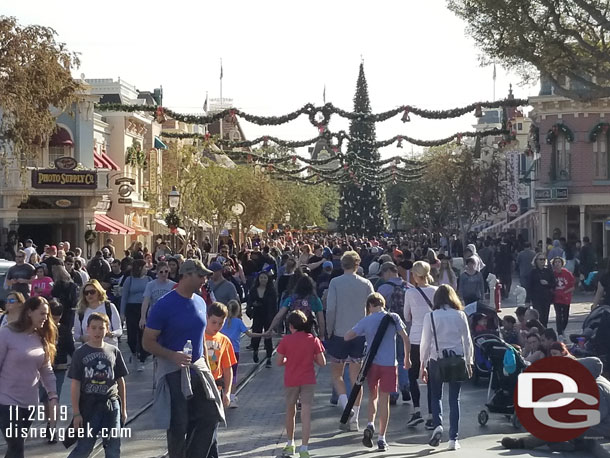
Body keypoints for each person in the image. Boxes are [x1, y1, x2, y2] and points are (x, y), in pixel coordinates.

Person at [143, 259, 223, 458]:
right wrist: (172, 355)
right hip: (173, 371)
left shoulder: (200, 301)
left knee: (210, 416)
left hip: (198, 368)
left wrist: (207, 365)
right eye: (200, 275)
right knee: (179, 424)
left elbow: (201, 335)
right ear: (186, 275)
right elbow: (147, 342)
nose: (205, 279)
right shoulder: (164, 306)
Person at [344, 293, 411, 452]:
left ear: (369, 306)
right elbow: (405, 338)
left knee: (372, 396)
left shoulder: (366, 320)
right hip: (389, 364)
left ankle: (370, 424)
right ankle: (382, 438)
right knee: (384, 400)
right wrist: (407, 359)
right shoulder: (393, 317)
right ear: (383, 303)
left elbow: (347, 336)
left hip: (371, 364)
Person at [502, 357, 610, 450]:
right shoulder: (595, 380)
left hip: (604, 430)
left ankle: (522, 443)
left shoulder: (597, 388)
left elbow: (594, 417)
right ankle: (567, 443)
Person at [0, 296, 58, 457]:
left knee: (15, 449)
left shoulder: (41, 338)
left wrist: (53, 395)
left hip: (29, 404)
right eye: (42, 314)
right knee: (16, 445)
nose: (45, 318)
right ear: (29, 312)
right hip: (6, 401)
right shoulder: (6, 333)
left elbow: (46, 370)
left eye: (47, 314)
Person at [324, 251, 374, 431]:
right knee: (356, 378)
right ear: (357, 264)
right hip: (359, 334)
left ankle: (345, 404)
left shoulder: (335, 283)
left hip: (339, 333)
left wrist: (328, 329)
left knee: (337, 374)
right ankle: (355, 419)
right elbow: (372, 308)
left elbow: (331, 309)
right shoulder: (366, 283)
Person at [420, 285, 474, 450]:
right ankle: (453, 439)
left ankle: (437, 425)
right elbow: (467, 340)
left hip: (437, 359)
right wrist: (469, 361)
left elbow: (425, 342)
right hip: (457, 359)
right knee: (454, 398)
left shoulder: (430, 316)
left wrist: (422, 365)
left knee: (435, 396)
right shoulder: (460, 315)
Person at [68, 312, 128, 458]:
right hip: (89, 405)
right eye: (94, 328)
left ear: (107, 329)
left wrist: (123, 409)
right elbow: (75, 384)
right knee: (84, 446)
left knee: (113, 446)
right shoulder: (80, 353)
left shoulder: (113, 351)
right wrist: (76, 413)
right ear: (87, 329)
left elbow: (120, 381)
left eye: (101, 328)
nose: (97, 332)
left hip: (111, 403)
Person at [276, 310, 326, 458]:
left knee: (290, 412)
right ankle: (304, 448)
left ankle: (290, 443)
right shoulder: (313, 340)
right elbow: (322, 362)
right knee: (306, 414)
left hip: (291, 380)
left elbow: (278, 362)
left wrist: (288, 360)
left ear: (291, 326)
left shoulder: (286, 340)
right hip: (308, 380)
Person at [404, 261, 438, 429]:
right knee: (431, 376)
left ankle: (417, 410)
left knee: (413, 374)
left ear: (415, 276)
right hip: (432, 338)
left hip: (416, 337)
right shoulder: (436, 290)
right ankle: (432, 414)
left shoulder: (410, 292)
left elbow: (407, 316)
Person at [376, 262, 410, 405]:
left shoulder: (382, 289)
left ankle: (393, 392)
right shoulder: (409, 287)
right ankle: (406, 384)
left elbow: (378, 311)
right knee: (403, 358)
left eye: (383, 273)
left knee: (391, 360)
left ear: (389, 271)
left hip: (388, 328)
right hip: (406, 327)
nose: (383, 276)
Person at [221, 300, 262, 408]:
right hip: (234, 352)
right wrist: (264, 334)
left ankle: (222, 396)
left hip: (222, 351)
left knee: (221, 374)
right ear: (238, 310)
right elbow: (250, 334)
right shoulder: (238, 322)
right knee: (233, 375)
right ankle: (232, 398)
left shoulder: (222, 321)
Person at [120, 259, 152, 371]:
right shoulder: (129, 280)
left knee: (143, 333)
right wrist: (122, 313)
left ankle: (141, 358)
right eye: (144, 267)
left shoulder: (149, 280)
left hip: (144, 308)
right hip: (131, 308)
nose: (146, 269)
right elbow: (124, 297)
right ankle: (134, 352)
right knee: (132, 335)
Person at [204, 302, 237, 409]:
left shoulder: (224, 340)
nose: (217, 326)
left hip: (216, 385)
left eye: (220, 323)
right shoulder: (199, 336)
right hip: (200, 383)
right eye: (213, 322)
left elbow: (227, 368)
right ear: (206, 318)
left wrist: (227, 392)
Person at [74, 280, 122, 346]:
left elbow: (119, 330)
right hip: (89, 348)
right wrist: (82, 338)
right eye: (86, 293)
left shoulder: (109, 307)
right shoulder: (80, 311)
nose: (89, 295)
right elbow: (76, 335)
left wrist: (111, 334)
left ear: (99, 292)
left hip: (109, 347)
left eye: (92, 292)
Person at [246, 271, 278, 366]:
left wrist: (274, 318)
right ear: (258, 279)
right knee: (257, 334)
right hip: (257, 315)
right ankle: (255, 351)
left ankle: (269, 358)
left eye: (265, 278)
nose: (263, 279)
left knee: (268, 337)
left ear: (268, 279)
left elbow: (274, 306)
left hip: (268, 316)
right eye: (261, 278)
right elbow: (249, 302)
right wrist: (252, 305)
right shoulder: (253, 290)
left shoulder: (271, 291)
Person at [138, 261, 176, 330]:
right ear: (157, 272)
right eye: (161, 272)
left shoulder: (173, 285)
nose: (164, 274)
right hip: (154, 316)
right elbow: (146, 302)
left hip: (169, 317)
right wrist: (143, 317)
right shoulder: (150, 285)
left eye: (166, 271)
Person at [527, 254, 555, 327]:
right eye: (540, 259)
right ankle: (539, 330)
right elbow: (529, 286)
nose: (542, 261)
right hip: (536, 297)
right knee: (539, 315)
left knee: (545, 316)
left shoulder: (548, 271)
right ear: (536, 261)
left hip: (546, 297)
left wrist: (547, 283)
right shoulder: (533, 272)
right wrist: (528, 300)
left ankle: (544, 329)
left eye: (544, 259)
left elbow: (554, 284)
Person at [551, 256, 575, 337]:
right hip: (556, 298)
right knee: (558, 315)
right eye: (556, 262)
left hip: (566, 298)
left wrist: (565, 292)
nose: (557, 264)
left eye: (559, 262)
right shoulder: (552, 274)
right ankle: (559, 332)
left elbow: (572, 286)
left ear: (562, 263)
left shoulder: (567, 273)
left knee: (565, 316)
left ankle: (562, 329)